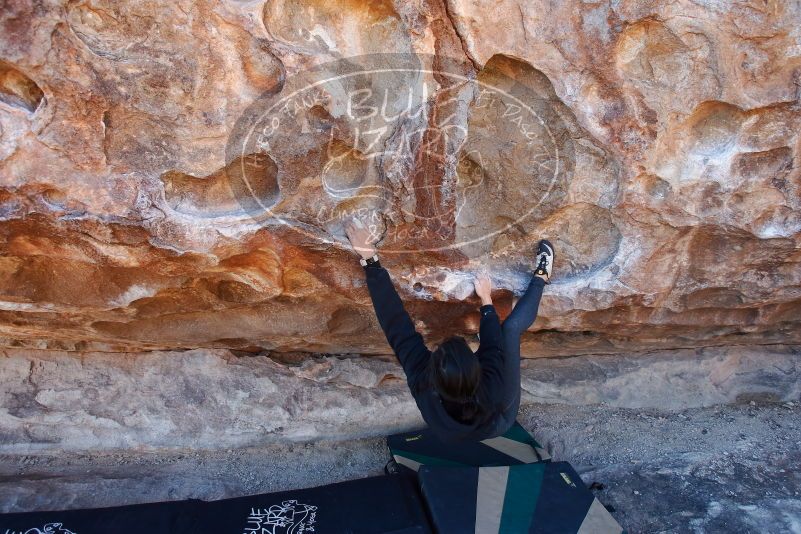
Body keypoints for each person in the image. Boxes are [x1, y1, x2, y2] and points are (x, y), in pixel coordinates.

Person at [346, 221, 554, 442]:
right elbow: (492, 347)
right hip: (499, 417)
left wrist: (370, 260)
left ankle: (539, 279)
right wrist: (486, 300)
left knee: (500, 336)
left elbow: (395, 324)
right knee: (510, 330)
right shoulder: (492, 383)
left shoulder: (423, 383)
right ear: (478, 368)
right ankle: (542, 276)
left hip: (458, 427)